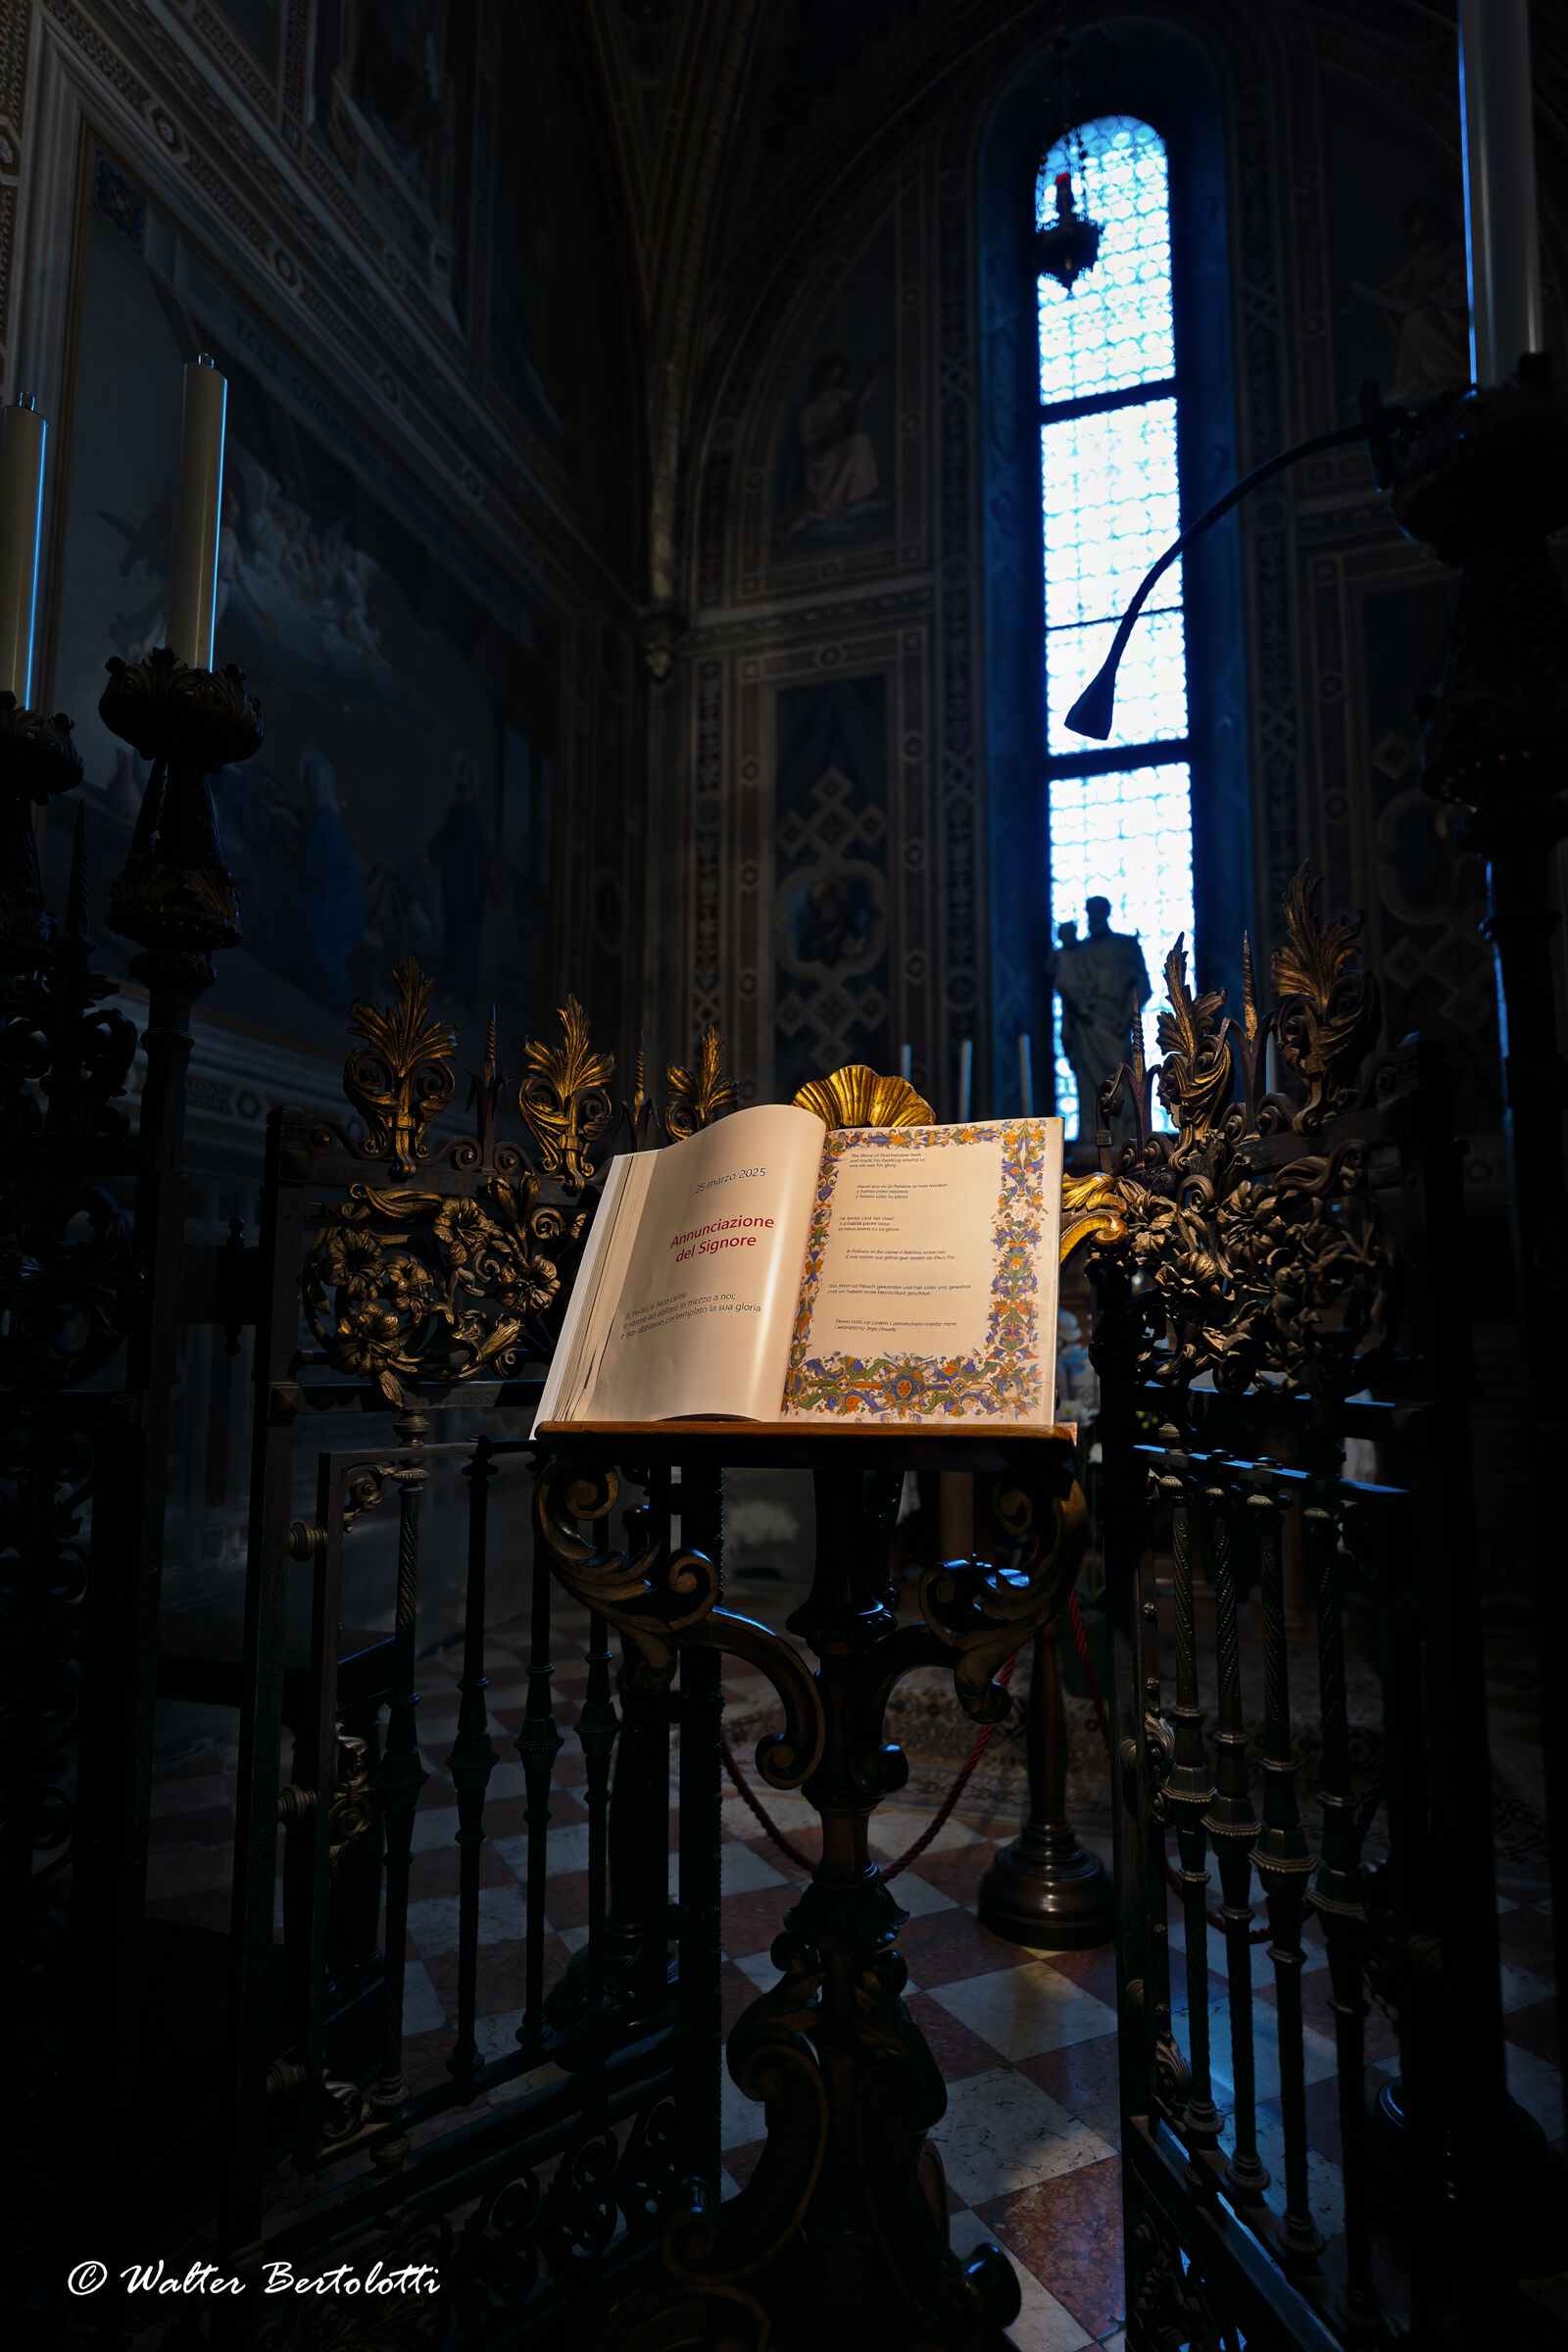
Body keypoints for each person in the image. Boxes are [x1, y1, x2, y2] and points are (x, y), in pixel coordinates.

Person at [1049, 898, 1152, 1142]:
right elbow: (1067, 989)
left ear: (1106, 912)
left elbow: (1142, 985)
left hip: (1116, 1024)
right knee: (1090, 1085)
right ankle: (1094, 1137)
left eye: (1098, 912)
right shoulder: (1078, 951)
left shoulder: (1125, 945)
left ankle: (1126, 1135)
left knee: (1119, 1077)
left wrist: (1126, 1016)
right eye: (1090, 912)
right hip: (1086, 1027)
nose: (1093, 917)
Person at [425, 754, 502, 1010]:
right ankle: (452, 987)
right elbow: (443, 839)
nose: (461, 777)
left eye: (465, 773)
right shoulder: (454, 810)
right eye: (459, 772)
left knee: (467, 942)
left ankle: (464, 991)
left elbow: (484, 856)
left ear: (471, 780)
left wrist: (493, 890)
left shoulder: (475, 817)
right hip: (453, 884)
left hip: (470, 889)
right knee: (453, 938)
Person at [786, 350, 886, 538]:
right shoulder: (809, 409)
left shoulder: (840, 397)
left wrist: (874, 375)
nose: (831, 379)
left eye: (836, 375)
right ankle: (826, 504)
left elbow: (860, 398)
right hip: (819, 457)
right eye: (829, 374)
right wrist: (828, 433)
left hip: (838, 449)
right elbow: (808, 440)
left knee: (860, 442)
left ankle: (850, 499)